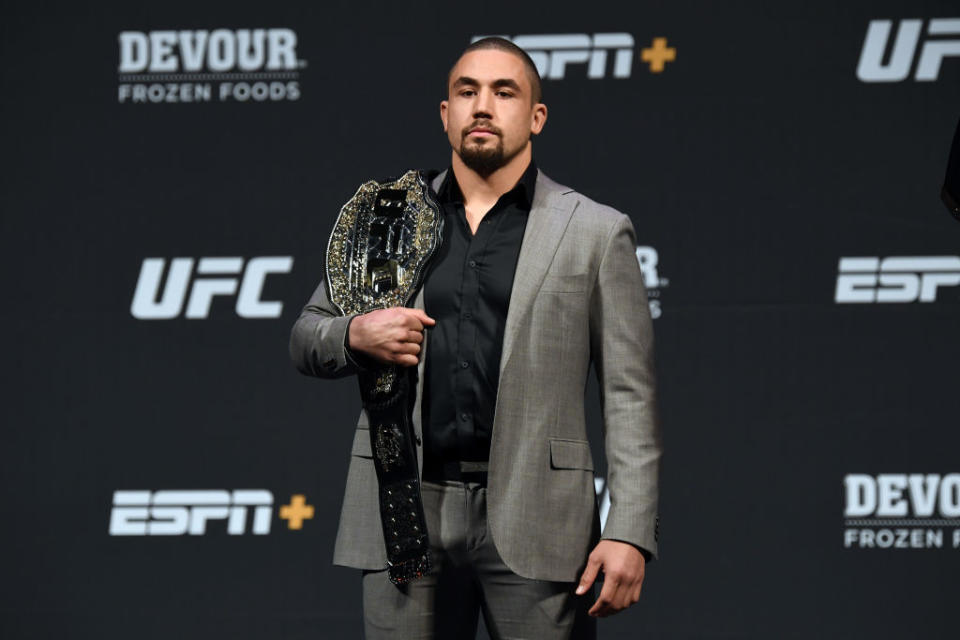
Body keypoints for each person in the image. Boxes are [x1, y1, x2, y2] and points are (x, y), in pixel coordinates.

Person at [290, 36, 660, 640]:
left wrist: (629, 530)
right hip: (404, 505)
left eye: (503, 91)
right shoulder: (388, 218)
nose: (482, 106)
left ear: (536, 116)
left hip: (539, 515)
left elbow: (630, 395)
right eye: (467, 92)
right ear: (445, 114)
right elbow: (307, 337)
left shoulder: (594, 231)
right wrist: (356, 334)